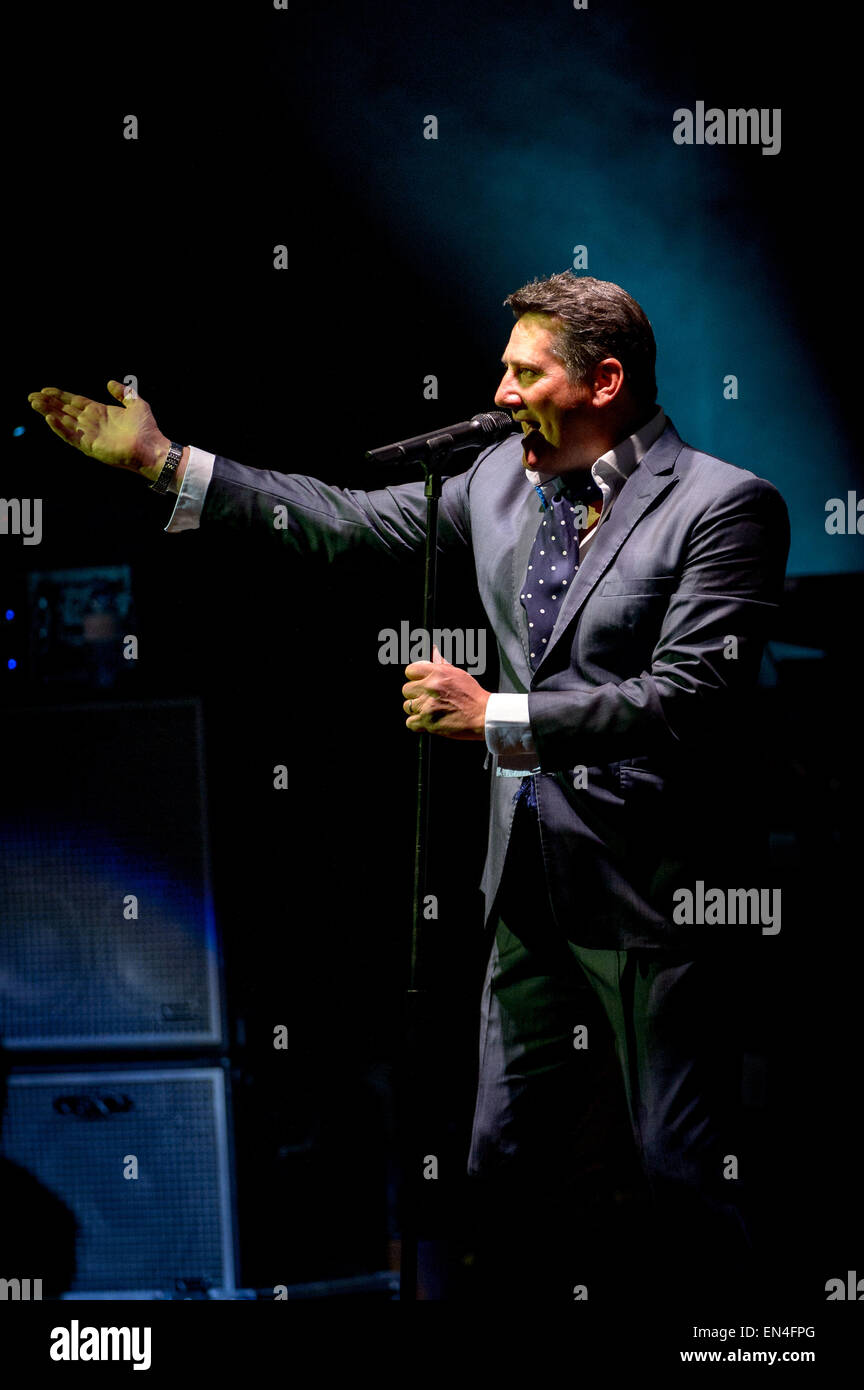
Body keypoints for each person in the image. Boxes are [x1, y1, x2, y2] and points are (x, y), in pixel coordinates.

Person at [29, 273, 790, 1305]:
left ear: (603, 381)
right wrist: (169, 464)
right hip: (527, 885)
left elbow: (688, 697)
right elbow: (340, 523)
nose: (500, 387)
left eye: (527, 371)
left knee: (678, 1170)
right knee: (502, 1165)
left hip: (658, 895)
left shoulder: (723, 505)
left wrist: (498, 718)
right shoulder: (491, 484)